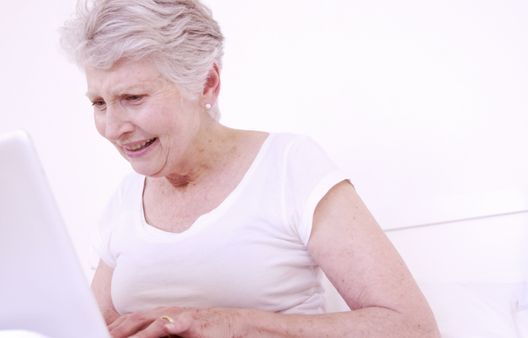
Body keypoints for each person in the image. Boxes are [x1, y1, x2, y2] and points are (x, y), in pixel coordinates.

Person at [61, 0, 440, 337]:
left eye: (133, 98)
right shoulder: (125, 200)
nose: (112, 128)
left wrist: (237, 325)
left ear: (207, 84)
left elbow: (413, 328)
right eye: (99, 103)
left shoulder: (288, 165)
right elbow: (91, 329)